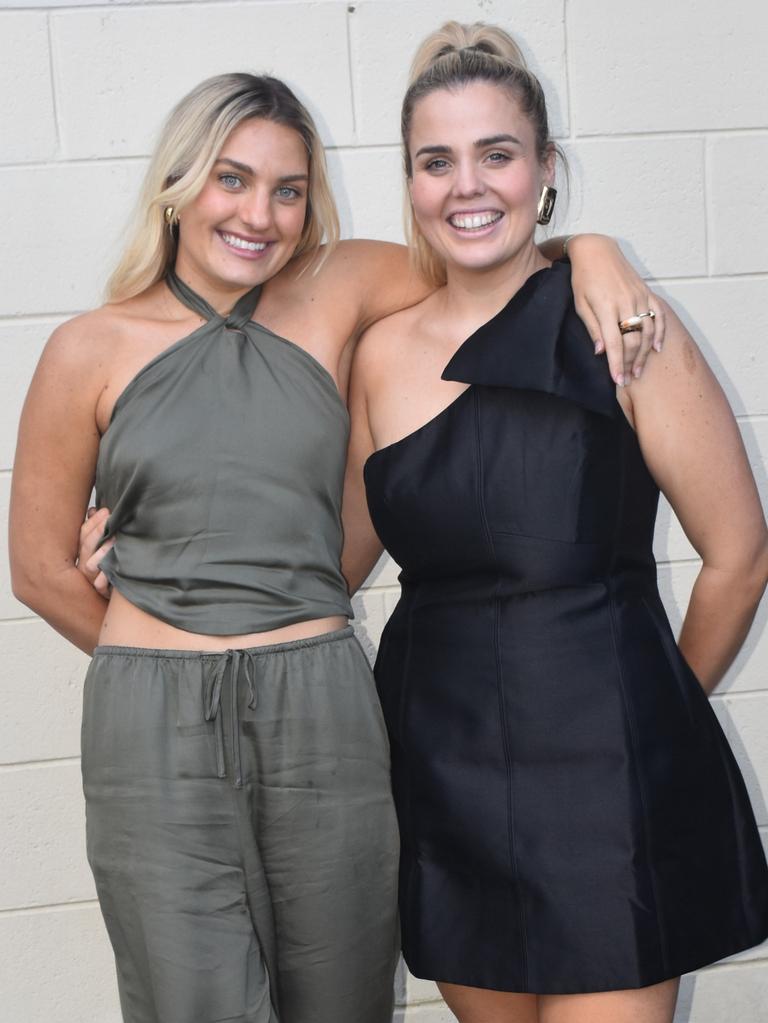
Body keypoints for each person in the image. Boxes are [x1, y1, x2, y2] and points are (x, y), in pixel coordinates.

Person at [11, 70, 662, 1023]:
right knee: (196, 1001)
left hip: (322, 707)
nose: (259, 214)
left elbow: (483, 251)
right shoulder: (86, 347)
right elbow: (35, 568)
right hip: (150, 728)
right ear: (179, 185)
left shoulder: (340, 286)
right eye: (232, 180)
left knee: (342, 998)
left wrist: (593, 249)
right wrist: (154, 645)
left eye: (288, 189)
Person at [341, 21, 768, 1023]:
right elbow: (329, 567)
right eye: (435, 162)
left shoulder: (623, 326)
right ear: (408, 183)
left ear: (545, 170)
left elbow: (741, 556)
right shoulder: (378, 354)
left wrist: (653, 712)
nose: (467, 185)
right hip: (445, 780)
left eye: (497, 154)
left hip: (609, 791)